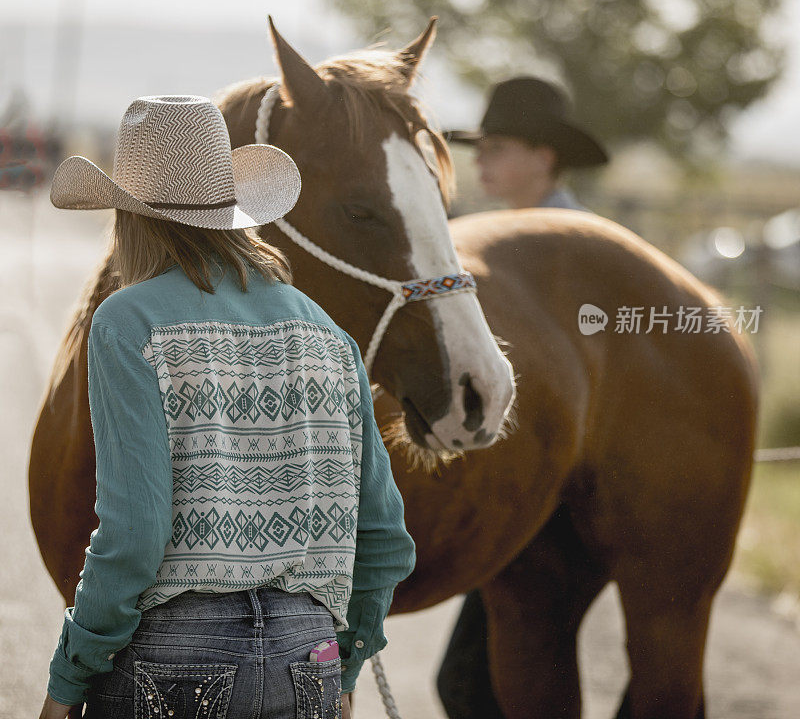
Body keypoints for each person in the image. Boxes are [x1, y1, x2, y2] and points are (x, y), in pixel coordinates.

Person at [39, 95, 416, 719]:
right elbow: (385, 535)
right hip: (308, 655)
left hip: (174, 652)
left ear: (131, 220)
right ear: (234, 211)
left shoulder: (129, 321)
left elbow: (134, 536)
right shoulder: (325, 331)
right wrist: (345, 659)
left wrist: (69, 676)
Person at [439, 78, 608, 719]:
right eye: (479, 147)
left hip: (558, 489)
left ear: (545, 156)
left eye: (499, 146)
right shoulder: (474, 241)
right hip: (509, 483)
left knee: (475, 681)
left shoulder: (589, 253)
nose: (480, 160)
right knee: (484, 680)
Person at [447, 76, 609, 213]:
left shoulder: (578, 237)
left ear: (543, 159)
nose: (478, 161)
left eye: (496, 148)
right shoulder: (510, 232)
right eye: (479, 149)